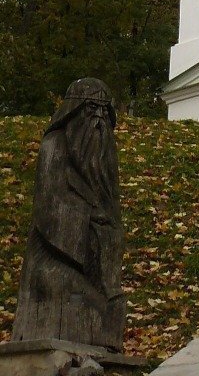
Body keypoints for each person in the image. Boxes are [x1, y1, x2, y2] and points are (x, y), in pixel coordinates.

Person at [13, 78, 125, 350]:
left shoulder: (104, 163)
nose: (97, 120)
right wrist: (90, 218)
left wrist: (106, 230)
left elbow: (112, 217)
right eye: (90, 110)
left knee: (113, 303)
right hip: (55, 262)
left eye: (103, 112)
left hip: (91, 262)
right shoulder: (53, 146)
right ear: (73, 112)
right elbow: (50, 211)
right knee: (74, 295)